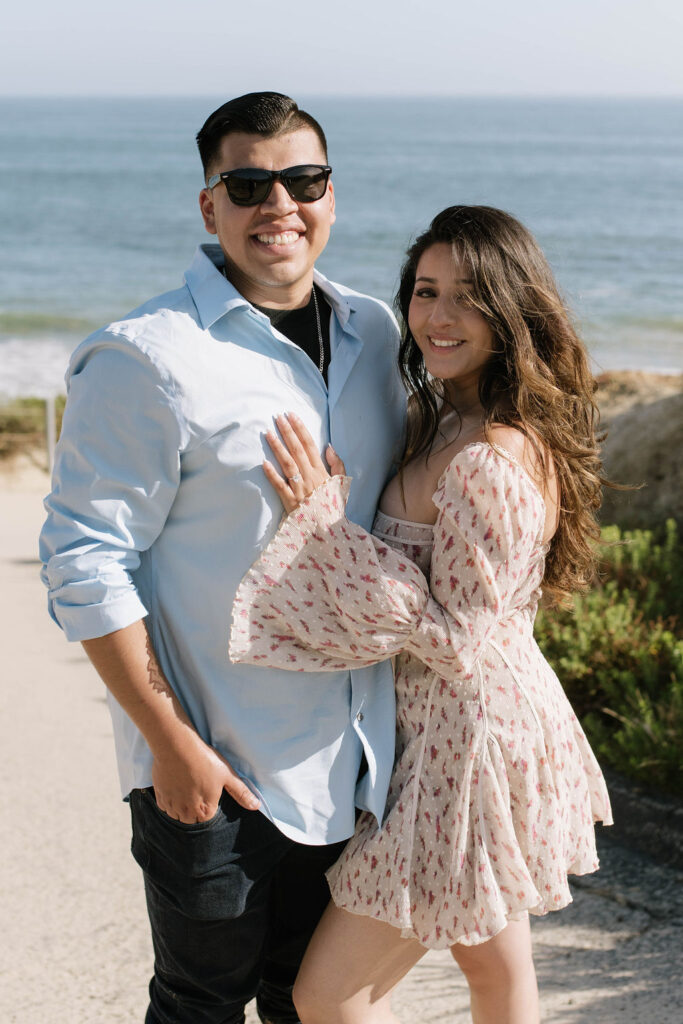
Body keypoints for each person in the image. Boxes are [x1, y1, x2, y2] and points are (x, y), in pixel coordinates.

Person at [39, 91, 406, 1024]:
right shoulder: (147, 357)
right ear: (210, 206)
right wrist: (172, 747)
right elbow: (86, 562)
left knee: (311, 1005)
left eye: (302, 179)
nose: (277, 203)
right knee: (199, 1005)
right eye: (247, 183)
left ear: (331, 195)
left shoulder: (377, 335)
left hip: (358, 768)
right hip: (220, 768)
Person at [230, 205, 613, 1024]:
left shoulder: (486, 460)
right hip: (449, 730)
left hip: (467, 743)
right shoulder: (443, 414)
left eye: (467, 297)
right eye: (424, 291)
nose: (438, 318)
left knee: (327, 995)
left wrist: (328, 529)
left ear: (513, 310)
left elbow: (460, 640)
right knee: (494, 972)